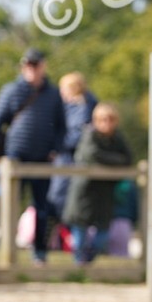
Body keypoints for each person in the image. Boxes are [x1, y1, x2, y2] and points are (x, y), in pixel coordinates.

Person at [0, 48, 66, 265]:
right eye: (28, 65)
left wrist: (56, 149)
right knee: (9, 204)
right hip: (15, 156)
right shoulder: (11, 90)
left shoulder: (53, 94)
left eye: (35, 65)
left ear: (43, 66)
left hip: (43, 158)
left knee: (42, 207)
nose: (32, 69)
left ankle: (40, 252)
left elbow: (62, 126)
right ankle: (6, 250)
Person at [62, 103, 133, 264]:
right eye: (102, 120)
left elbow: (128, 159)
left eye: (110, 119)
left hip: (104, 192)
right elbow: (92, 155)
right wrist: (115, 161)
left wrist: (109, 161)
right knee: (80, 230)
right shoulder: (90, 135)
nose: (106, 123)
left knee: (102, 234)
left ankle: (86, 261)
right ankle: (78, 267)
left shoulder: (117, 138)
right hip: (84, 191)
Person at [47, 72, 98, 222]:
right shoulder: (71, 107)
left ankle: (63, 228)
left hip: (70, 157)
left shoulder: (81, 108)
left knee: (61, 195)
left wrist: (56, 146)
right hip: (65, 155)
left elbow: (77, 135)